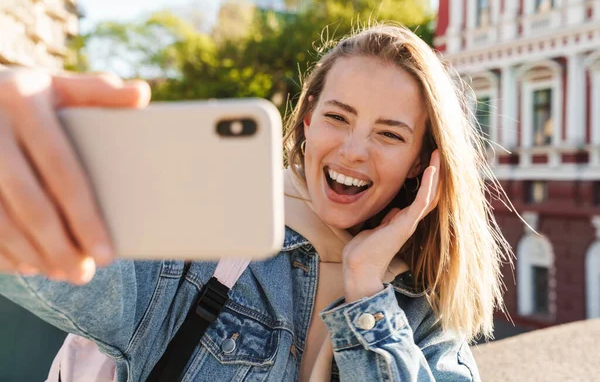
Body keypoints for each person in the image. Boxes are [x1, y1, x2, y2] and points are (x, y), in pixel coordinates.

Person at [0, 24, 510, 381]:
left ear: (423, 164)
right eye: (337, 117)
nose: (353, 151)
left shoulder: (424, 314)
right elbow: (43, 263)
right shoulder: (201, 242)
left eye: (390, 134)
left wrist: (366, 292)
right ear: (307, 120)